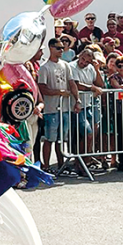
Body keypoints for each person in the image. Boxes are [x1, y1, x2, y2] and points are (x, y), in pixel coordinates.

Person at [37, 39, 70, 170]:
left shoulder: (65, 65)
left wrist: (76, 99)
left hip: (64, 108)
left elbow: (71, 82)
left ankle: (61, 165)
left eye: (62, 48)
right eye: (58, 48)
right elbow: (42, 88)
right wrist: (59, 92)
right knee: (49, 139)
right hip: (51, 108)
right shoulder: (45, 67)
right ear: (51, 48)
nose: (61, 50)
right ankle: (46, 165)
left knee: (61, 139)